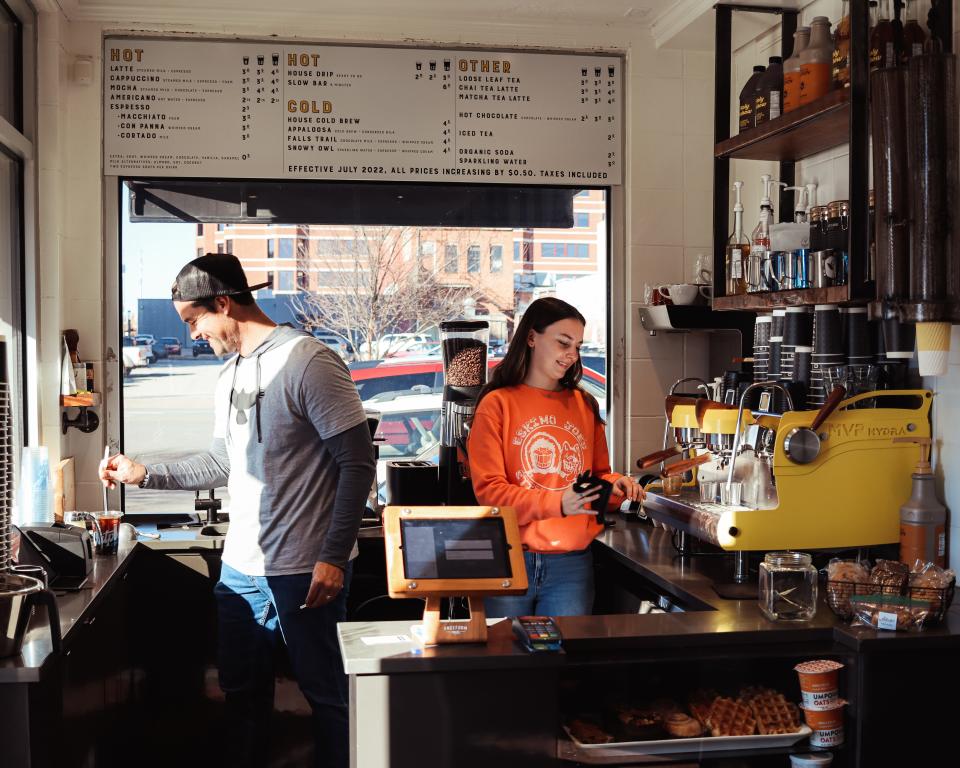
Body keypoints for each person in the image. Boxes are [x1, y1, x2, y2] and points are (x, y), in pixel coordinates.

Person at [99, 253, 375, 768]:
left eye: (195, 320)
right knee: (242, 696)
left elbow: (358, 465)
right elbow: (219, 463)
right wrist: (143, 473)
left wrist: (334, 557)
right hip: (241, 569)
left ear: (224, 304)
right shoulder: (229, 373)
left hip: (305, 570)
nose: (195, 333)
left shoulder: (308, 361)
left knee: (327, 697)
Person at [467, 297, 643, 617]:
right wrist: (557, 503)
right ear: (532, 337)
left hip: (571, 565)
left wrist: (616, 486)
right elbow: (490, 492)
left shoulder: (584, 405)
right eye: (563, 343)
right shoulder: (497, 404)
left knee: (560, 662)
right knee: (508, 663)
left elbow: (598, 476)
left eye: (577, 346)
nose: (571, 355)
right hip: (510, 558)